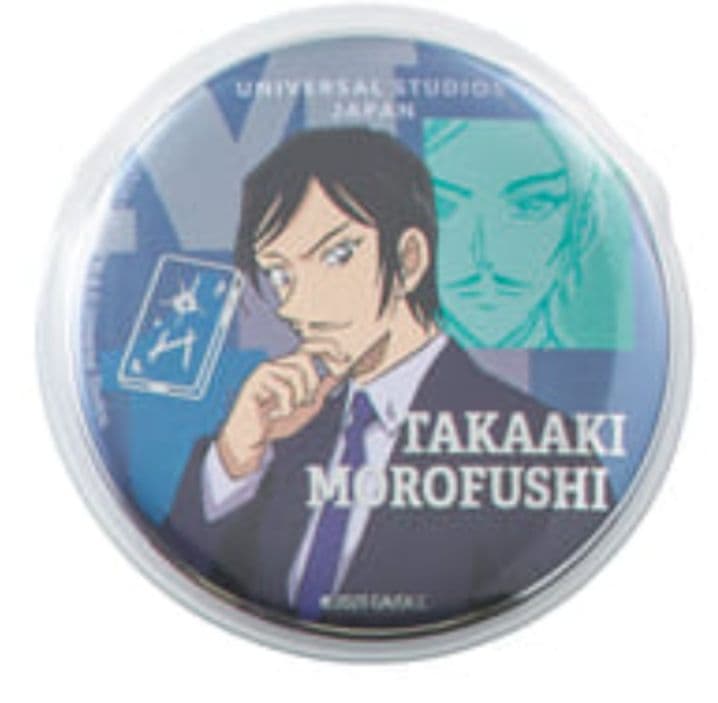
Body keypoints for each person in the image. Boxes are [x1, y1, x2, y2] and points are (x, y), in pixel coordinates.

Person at [162, 127, 611, 628]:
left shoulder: (541, 446)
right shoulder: (281, 437)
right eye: (281, 275)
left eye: (336, 256)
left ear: (408, 259)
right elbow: (192, 576)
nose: (294, 305)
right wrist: (234, 458)